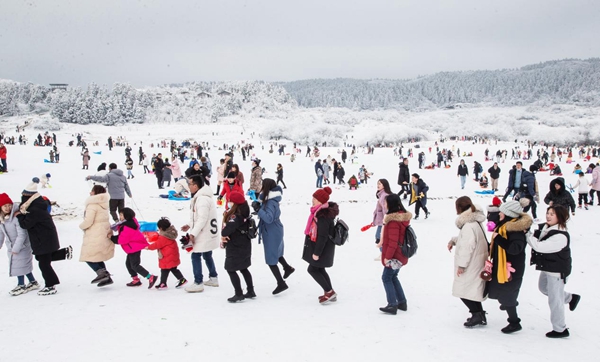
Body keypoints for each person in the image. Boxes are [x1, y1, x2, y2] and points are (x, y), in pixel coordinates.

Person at [527, 205, 580, 338]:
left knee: (554, 300)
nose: (548, 216)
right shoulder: (548, 227)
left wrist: (526, 234)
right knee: (544, 287)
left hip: (557, 271)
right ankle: (570, 298)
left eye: (552, 214)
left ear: (560, 217)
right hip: (549, 267)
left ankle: (560, 329)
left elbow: (540, 247)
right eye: (548, 213)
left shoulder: (560, 236)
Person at [16, 179, 73, 296]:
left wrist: (19, 216)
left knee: (43, 263)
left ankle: (50, 285)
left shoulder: (34, 209)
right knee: (41, 259)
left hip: (43, 239)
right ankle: (64, 253)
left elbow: (25, 224)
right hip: (44, 238)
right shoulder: (37, 205)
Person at [488, 200, 533, 334]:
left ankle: (514, 322)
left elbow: (514, 249)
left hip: (512, 270)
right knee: (504, 294)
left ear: (508, 214)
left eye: (502, 211)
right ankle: (509, 302)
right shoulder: (505, 226)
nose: (500, 213)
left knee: (507, 295)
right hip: (503, 267)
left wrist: (499, 239)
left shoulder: (515, 231)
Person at [447, 196, 489, 327]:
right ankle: (479, 314)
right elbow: (467, 239)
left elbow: (467, 247)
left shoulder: (468, 226)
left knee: (463, 290)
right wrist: (454, 240)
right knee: (472, 290)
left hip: (471, 263)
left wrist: (461, 265)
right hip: (478, 260)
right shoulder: (474, 222)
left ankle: (477, 314)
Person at [253, 178, 294, 295]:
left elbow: (269, 218)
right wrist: (259, 208)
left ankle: (281, 283)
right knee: (277, 253)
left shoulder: (270, 202)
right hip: (275, 229)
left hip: (271, 231)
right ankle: (287, 268)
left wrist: (258, 209)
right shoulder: (271, 199)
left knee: (271, 258)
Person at [181, 175, 220, 293]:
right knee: (207, 254)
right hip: (206, 232)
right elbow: (199, 217)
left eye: (190, 184)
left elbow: (202, 219)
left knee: (195, 255)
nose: (188, 186)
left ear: (195, 186)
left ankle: (198, 282)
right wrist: (189, 224)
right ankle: (213, 277)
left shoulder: (202, 199)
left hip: (203, 233)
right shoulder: (202, 197)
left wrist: (192, 233)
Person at [303, 186, 339, 304]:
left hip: (322, 248)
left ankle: (329, 291)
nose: (312, 200)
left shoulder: (322, 215)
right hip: (323, 247)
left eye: (314, 198)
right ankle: (330, 291)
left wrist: (317, 253)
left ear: (320, 201)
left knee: (312, 269)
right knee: (319, 268)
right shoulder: (319, 212)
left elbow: (322, 236)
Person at [377, 194, 411, 315]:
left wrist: (387, 257)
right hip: (401, 254)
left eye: (386, 203)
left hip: (395, 256)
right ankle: (402, 302)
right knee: (393, 277)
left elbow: (393, 242)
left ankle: (392, 304)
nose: (384, 205)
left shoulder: (393, 222)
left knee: (386, 277)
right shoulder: (403, 218)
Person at [0, 193, 39, 296]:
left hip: (22, 246)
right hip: (12, 247)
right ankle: (33, 282)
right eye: (5, 206)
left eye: (9, 205)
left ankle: (21, 285)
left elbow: (22, 234)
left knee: (19, 265)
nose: (8, 208)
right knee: (22, 265)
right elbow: (1, 234)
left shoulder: (16, 217)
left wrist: (16, 248)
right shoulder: (2, 219)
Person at [109, 207, 157, 288]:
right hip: (132, 247)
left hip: (134, 248)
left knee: (135, 265)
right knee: (129, 264)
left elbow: (122, 239)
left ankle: (150, 277)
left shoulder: (127, 226)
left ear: (126, 216)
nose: (120, 216)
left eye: (121, 215)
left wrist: (112, 238)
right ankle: (136, 280)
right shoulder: (127, 223)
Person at [221, 191, 255, 302]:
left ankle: (238, 293)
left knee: (230, 269)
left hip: (236, 246)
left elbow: (226, 231)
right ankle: (250, 291)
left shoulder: (236, 216)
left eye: (229, 201)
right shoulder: (245, 211)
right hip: (245, 244)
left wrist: (224, 233)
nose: (228, 203)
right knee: (243, 268)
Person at [79, 185, 115, 287]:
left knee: (88, 255)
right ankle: (106, 277)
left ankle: (101, 273)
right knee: (98, 256)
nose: (90, 193)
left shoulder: (92, 205)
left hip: (94, 233)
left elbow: (88, 221)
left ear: (95, 193)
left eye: (92, 191)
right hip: (103, 231)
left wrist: (81, 226)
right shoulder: (104, 204)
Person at [147, 218, 187, 290]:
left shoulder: (163, 237)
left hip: (167, 257)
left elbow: (157, 245)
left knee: (165, 269)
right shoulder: (170, 233)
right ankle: (167, 282)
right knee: (171, 269)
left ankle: (164, 283)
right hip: (172, 255)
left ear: (161, 228)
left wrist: (148, 247)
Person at [372, 179, 392, 245]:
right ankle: (383, 253)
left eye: (380, 184)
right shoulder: (381, 195)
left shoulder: (384, 196)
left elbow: (385, 210)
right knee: (379, 238)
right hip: (381, 221)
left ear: (384, 185)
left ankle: (383, 253)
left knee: (379, 238)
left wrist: (385, 221)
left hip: (383, 221)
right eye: (377, 184)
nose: (378, 185)